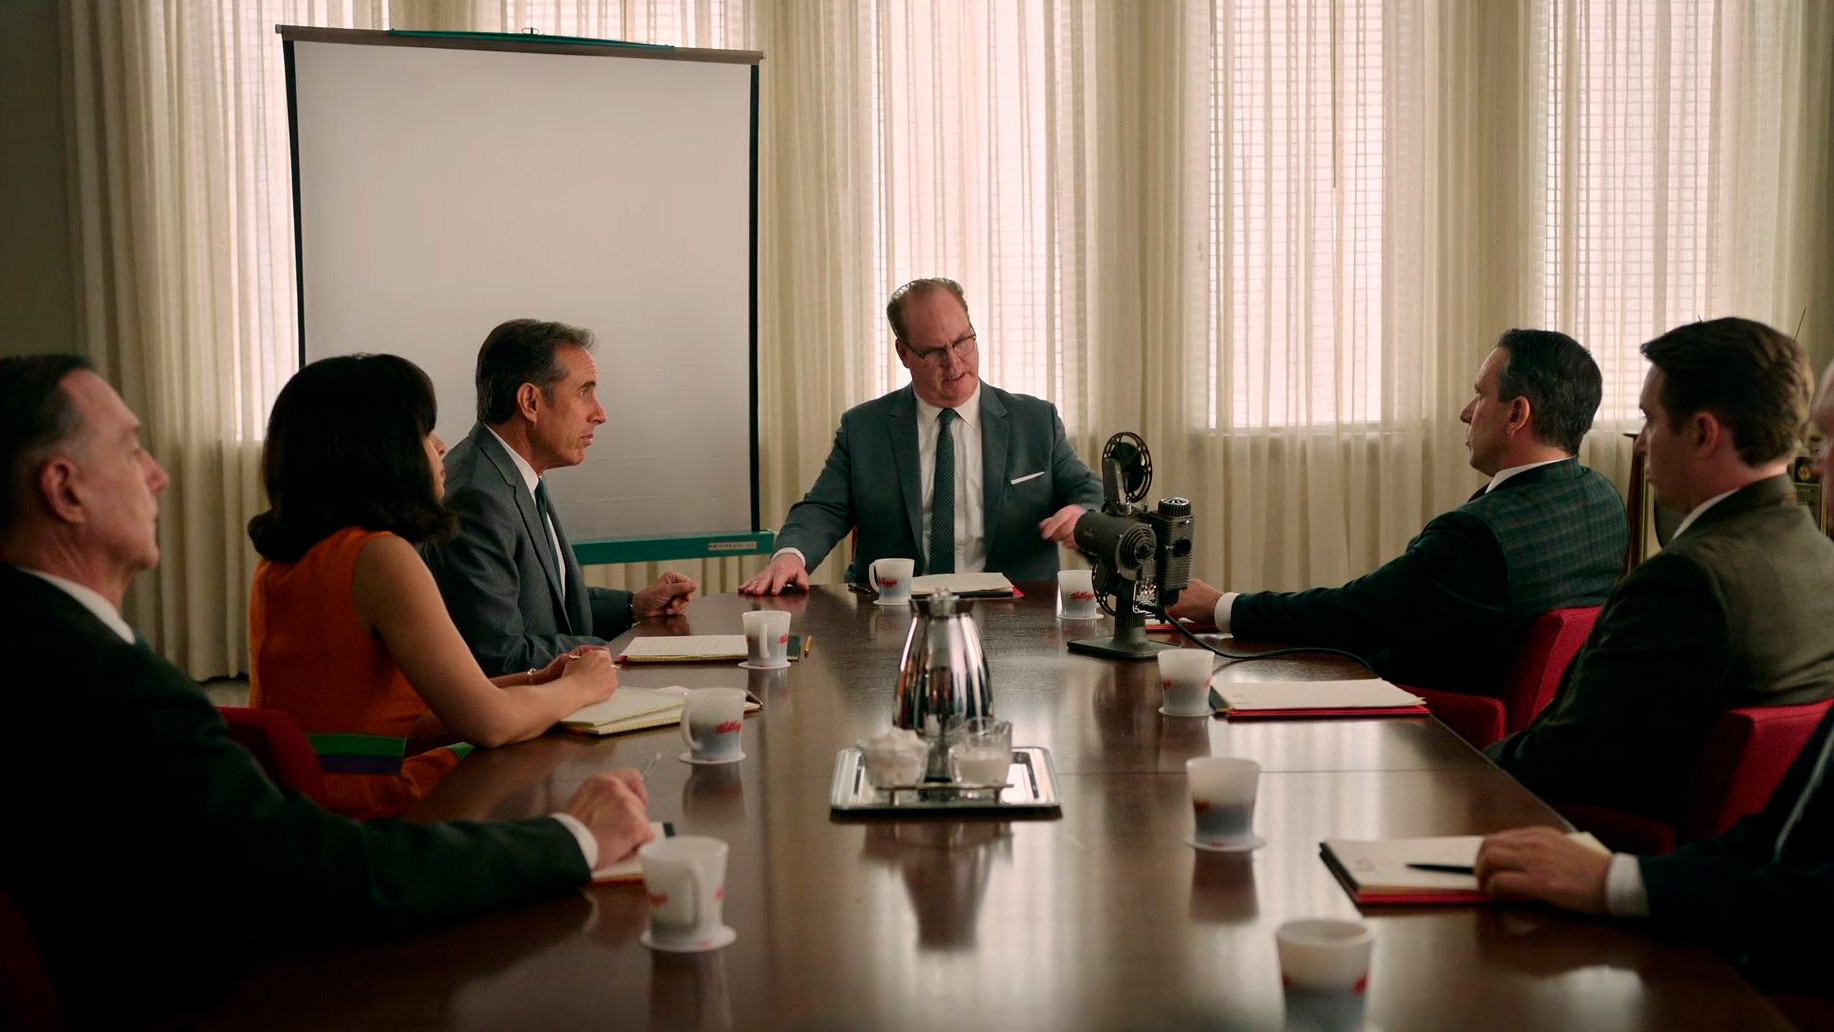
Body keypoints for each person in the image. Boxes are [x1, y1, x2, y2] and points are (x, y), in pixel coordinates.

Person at [0, 355, 655, 1027]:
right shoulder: (106, 684)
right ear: (63, 489)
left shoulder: (54, 647)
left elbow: (363, 730)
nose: (158, 474)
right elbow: (315, 869)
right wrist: (570, 837)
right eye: (131, 448)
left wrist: (533, 688)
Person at [248, 354, 623, 818]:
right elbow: (489, 722)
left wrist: (536, 679)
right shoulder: (380, 558)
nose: (442, 446)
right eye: (424, 432)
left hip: (305, 809)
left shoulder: (284, 559)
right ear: (378, 451)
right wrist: (580, 688)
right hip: (368, 818)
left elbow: (398, 716)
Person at [1487, 318, 1834, 818]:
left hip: (1588, 840)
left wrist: (1465, 769)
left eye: (1650, 420)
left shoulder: (1684, 582)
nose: (1641, 443)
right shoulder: (1821, 558)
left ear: (1702, 433)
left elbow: (1567, 759)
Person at [1166, 329, 1626, 694]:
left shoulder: (1479, 535)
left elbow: (1354, 615)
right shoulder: (1603, 500)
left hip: (1430, 725)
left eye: (1480, 395)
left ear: (1516, 414)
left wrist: (1221, 605)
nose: (1466, 413)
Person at [741, 278, 1102, 594]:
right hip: (893, 613)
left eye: (962, 341)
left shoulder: (1035, 421)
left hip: (1014, 616)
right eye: (934, 352)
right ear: (904, 353)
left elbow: (1090, 492)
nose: (954, 362)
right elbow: (823, 508)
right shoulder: (864, 428)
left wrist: (1082, 514)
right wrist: (790, 556)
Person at [423, 319, 698, 675]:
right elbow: (499, 656)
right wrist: (621, 651)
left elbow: (545, 605)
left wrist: (633, 607)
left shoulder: (510, 470)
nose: (600, 414)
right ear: (531, 402)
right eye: (584, 392)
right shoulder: (477, 498)